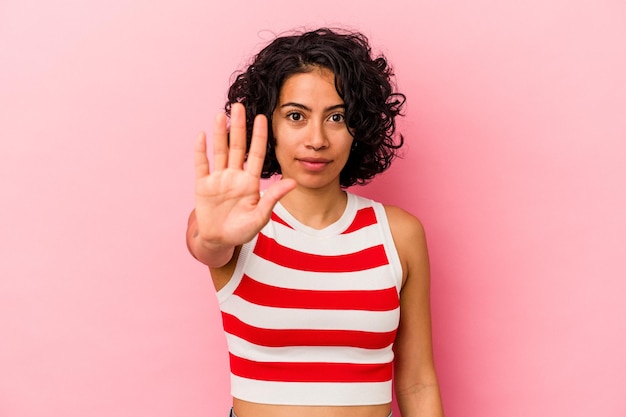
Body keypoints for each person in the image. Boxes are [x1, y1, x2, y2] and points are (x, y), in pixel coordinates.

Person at [186, 27, 444, 417]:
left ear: (360, 127)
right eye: (296, 116)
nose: (317, 139)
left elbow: (418, 380)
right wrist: (212, 238)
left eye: (337, 117)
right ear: (267, 124)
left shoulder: (399, 234)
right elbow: (207, 244)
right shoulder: (235, 223)